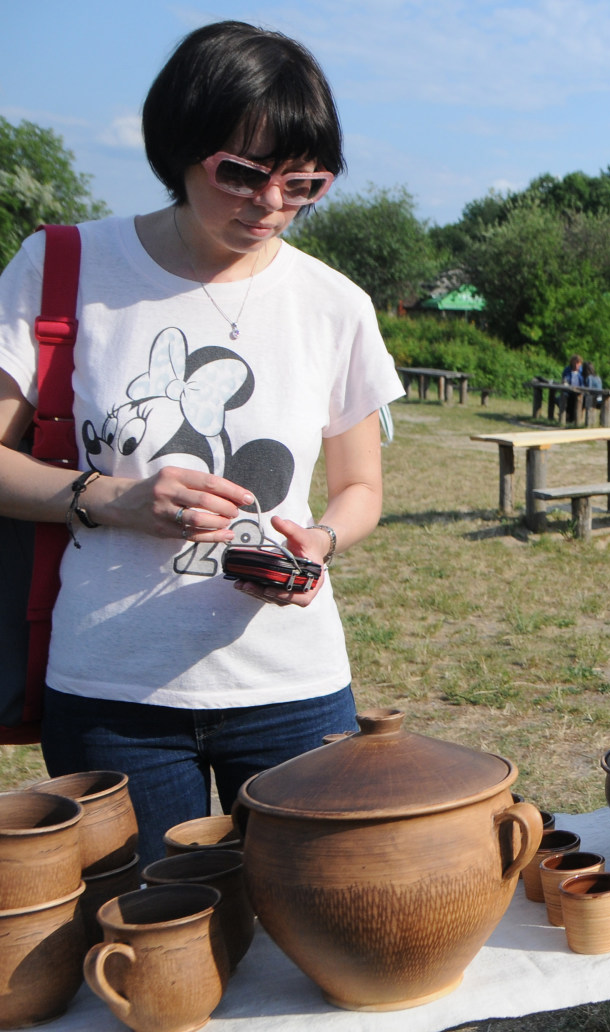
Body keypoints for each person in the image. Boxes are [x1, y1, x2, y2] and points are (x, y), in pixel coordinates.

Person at [0, 19, 401, 909]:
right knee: (152, 928)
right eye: (243, 173)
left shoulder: (334, 304)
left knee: (316, 920)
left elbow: (361, 486)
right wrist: (113, 499)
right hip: (112, 690)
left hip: (292, 686)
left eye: (303, 185)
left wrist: (320, 541)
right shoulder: (63, 266)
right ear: (179, 150)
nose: (270, 205)